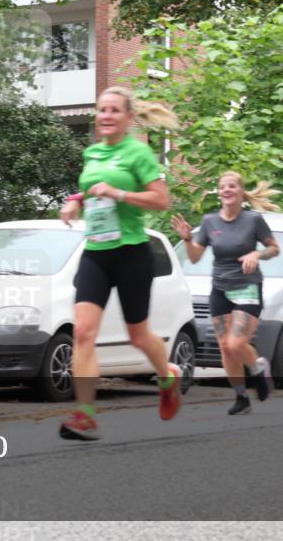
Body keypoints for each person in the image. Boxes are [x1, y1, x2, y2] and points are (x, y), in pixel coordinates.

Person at [58, 85, 181, 441]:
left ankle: (167, 375)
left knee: (138, 335)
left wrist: (119, 194)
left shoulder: (139, 153)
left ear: (128, 118)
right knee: (82, 332)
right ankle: (84, 415)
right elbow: (94, 187)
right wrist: (75, 199)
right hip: (97, 252)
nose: (106, 116)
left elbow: (161, 201)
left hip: (132, 253)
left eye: (114, 110)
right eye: (101, 110)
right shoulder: (92, 153)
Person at [171, 171, 280, 415]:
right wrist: (188, 239)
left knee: (236, 342)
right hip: (220, 289)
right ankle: (241, 398)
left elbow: (274, 248)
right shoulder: (210, 222)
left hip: (247, 287)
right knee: (225, 347)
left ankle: (258, 369)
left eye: (232, 186)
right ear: (219, 193)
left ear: (241, 192)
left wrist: (256, 254)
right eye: (223, 187)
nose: (227, 190)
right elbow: (195, 257)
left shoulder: (253, 220)